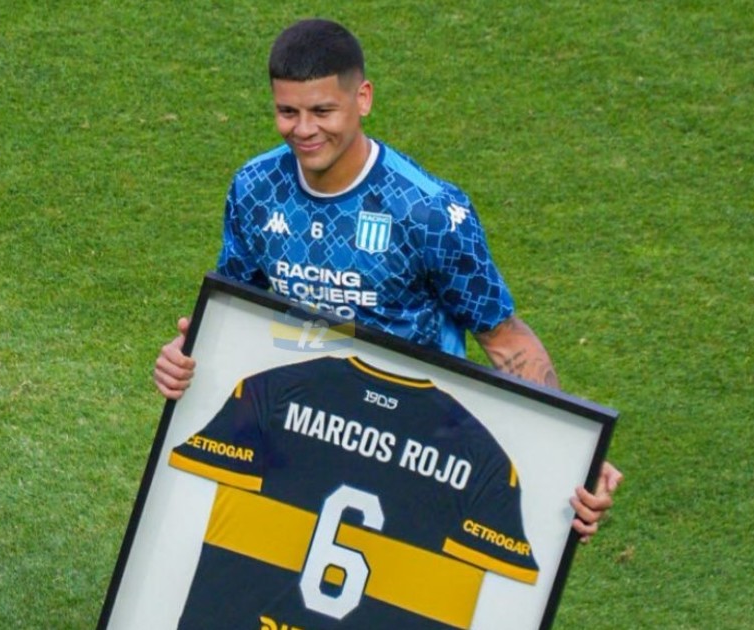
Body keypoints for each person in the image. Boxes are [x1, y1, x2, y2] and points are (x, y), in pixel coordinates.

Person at [153, 18, 621, 542]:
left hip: (416, 453)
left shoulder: (428, 212)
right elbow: (233, 313)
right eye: (287, 112)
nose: (303, 130)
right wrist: (183, 355)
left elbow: (505, 340)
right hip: (297, 433)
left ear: (364, 99)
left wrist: (572, 456)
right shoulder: (255, 189)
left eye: (322, 111)